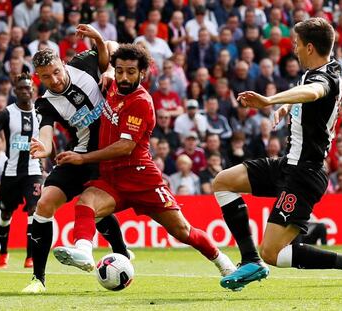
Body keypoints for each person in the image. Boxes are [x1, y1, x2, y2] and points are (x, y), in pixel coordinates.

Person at [212, 18, 342, 295]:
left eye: (296, 44)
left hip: (304, 174)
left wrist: (272, 101)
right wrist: (288, 108)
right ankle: (249, 260)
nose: (293, 49)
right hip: (288, 164)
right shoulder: (330, 66)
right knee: (223, 181)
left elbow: (313, 91)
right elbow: (306, 94)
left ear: (308, 47)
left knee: (273, 252)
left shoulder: (324, 79)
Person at [51, 43, 236, 279]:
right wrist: (106, 66)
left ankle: (224, 263)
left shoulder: (141, 101)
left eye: (130, 71)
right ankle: (84, 252)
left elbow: (125, 147)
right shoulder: (112, 87)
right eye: (119, 70)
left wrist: (83, 158)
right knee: (86, 203)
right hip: (113, 177)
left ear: (142, 73)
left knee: (183, 231)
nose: (124, 77)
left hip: (142, 177)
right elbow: (111, 46)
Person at [22, 25, 130, 294]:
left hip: (105, 153)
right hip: (77, 154)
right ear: (39, 78)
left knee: (95, 209)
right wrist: (43, 148)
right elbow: (46, 135)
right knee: (44, 205)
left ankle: (122, 254)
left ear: (63, 64)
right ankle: (38, 279)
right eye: (47, 77)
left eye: (57, 72)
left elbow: (114, 46)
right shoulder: (45, 103)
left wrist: (106, 66)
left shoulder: (83, 62)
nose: (55, 80)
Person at [0, 73, 42, 269]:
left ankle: (30, 257)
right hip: (11, 173)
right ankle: (3, 253)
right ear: (15, 91)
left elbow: (48, 138)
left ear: (33, 90)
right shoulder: (7, 113)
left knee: (34, 210)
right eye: (22, 88)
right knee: (5, 215)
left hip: (34, 170)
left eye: (29, 88)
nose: (26, 91)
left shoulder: (41, 113)